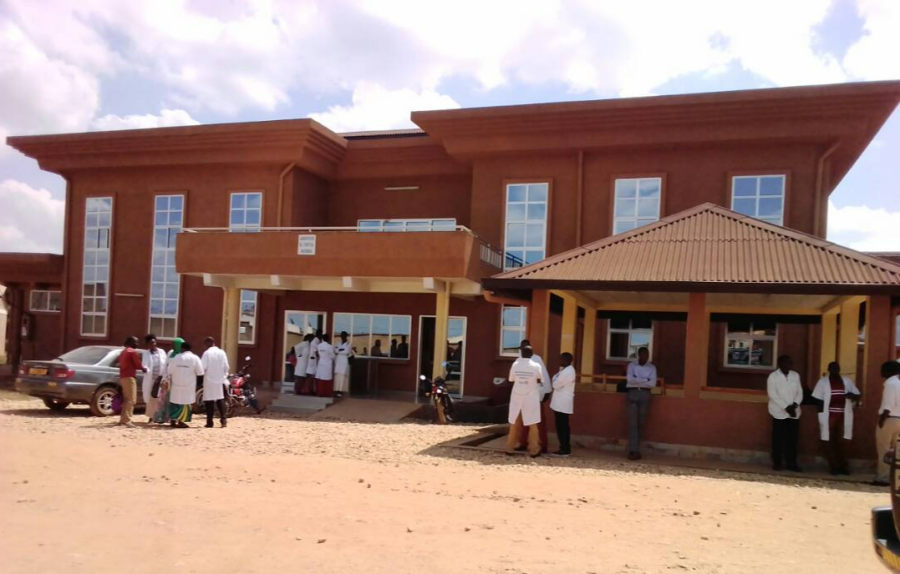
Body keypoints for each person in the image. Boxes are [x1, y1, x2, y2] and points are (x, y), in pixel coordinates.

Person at [812, 361, 861, 475]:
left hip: (844, 415)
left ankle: (843, 466)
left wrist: (852, 396)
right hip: (829, 415)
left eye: (837, 368)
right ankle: (833, 466)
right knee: (828, 440)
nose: (835, 370)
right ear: (829, 370)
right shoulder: (823, 381)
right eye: (832, 368)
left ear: (839, 369)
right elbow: (817, 399)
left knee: (843, 441)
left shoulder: (847, 381)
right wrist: (821, 415)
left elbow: (857, 395)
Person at [506, 345, 546, 457]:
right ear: (532, 354)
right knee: (533, 423)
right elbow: (541, 379)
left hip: (517, 396)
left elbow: (511, 379)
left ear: (521, 354)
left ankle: (510, 448)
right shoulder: (536, 366)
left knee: (514, 422)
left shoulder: (515, 364)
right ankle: (534, 449)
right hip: (531, 397)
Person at [767, 355, 804, 472]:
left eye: (790, 362)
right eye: (787, 362)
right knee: (778, 439)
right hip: (778, 413)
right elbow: (772, 394)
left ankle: (791, 463)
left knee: (792, 439)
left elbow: (800, 392)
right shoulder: (773, 377)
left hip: (794, 413)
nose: (790, 365)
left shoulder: (795, 375)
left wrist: (795, 405)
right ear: (780, 364)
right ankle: (777, 463)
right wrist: (786, 407)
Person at [517, 339, 552, 452]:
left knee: (539, 421)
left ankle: (543, 445)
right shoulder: (518, 361)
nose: (523, 351)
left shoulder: (537, 360)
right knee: (524, 420)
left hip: (536, 394)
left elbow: (544, 377)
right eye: (522, 349)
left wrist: (547, 391)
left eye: (526, 349)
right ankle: (523, 442)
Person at [625, 347, 656, 460]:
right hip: (632, 394)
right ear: (639, 354)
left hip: (645, 394)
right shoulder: (631, 366)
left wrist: (637, 379)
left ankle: (636, 448)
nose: (645, 357)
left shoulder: (652, 367)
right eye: (643, 354)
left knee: (641, 423)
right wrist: (645, 380)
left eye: (647, 354)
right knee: (633, 423)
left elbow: (652, 383)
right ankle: (633, 451)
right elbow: (629, 380)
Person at [165, 340, 205, 428]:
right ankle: (181, 422)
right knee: (186, 403)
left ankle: (173, 420)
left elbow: (169, 370)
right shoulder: (195, 358)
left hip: (176, 385)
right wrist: (199, 384)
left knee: (175, 402)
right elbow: (200, 373)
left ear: (182, 348)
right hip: (189, 386)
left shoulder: (176, 357)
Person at [874, 361, 900, 486]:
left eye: (883, 369)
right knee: (895, 451)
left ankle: (882, 478)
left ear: (889, 371)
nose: (881, 371)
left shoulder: (890, 384)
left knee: (884, 450)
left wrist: (882, 420)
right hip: (899, 419)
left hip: (889, 419)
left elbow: (888, 405)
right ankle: (893, 478)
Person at [550, 352, 577, 457]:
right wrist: (555, 378)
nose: (559, 361)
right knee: (562, 426)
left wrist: (555, 379)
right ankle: (564, 448)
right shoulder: (565, 370)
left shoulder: (567, 372)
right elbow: (556, 380)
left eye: (561, 359)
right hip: (560, 402)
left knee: (562, 426)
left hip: (562, 403)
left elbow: (555, 384)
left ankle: (565, 449)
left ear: (566, 360)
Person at [152, 337, 184, 424]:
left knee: (175, 400)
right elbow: (166, 365)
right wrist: (162, 377)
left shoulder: (182, 355)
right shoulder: (170, 353)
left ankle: (173, 418)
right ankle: (163, 418)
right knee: (165, 399)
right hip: (167, 380)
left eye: (174, 344)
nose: (172, 346)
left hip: (177, 381)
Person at [200, 337, 230, 428]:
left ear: (208, 343)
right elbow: (226, 367)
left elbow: (202, 367)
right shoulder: (222, 352)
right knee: (220, 399)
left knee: (209, 402)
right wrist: (223, 377)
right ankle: (223, 420)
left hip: (209, 381)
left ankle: (210, 422)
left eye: (205, 344)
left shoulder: (207, 353)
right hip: (220, 380)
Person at [118, 336, 147, 428]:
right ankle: (127, 420)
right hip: (129, 377)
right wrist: (144, 369)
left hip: (123, 377)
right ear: (130, 342)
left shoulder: (123, 351)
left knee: (126, 399)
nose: (137, 344)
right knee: (131, 400)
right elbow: (138, 364)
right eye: (135, 342)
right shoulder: (132, 352)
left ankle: (123, 420)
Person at [141, 334, 167, 423]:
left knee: (160, 398)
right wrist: (145, 369)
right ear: (148, 344)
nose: (153, 344)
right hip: (151, 379)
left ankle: (160, 417)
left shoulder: (162, 352)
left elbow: (165, 363)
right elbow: (145, 364)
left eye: (154, 342)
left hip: (161, 378)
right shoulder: (146, 353)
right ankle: (151, 417)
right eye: (151, 343)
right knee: (151, 398)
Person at [334, 331, 353, 398]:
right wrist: (341, 350)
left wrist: (339, 350)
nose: (342, 336)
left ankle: (340, 391)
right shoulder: (338, 343)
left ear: (346, 336)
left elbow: (347, 351)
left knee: (342, 376)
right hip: (338, 361)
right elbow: (335, 350)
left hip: (344, 361)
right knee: (337, 376)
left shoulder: (349, 343)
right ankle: (336, 390)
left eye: (343, 335)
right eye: (341, 335)